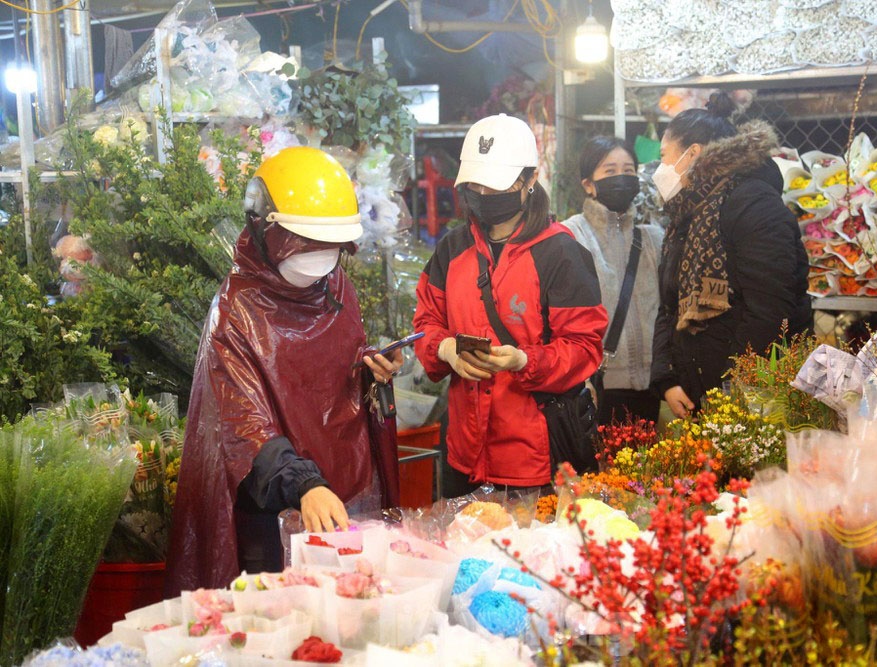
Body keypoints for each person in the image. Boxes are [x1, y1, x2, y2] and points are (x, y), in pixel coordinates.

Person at [166, 147, 404, 594]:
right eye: (303, 243)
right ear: (264, 228)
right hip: (273, 507)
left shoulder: (336, 285)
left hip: (344, 488)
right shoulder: (236, 310)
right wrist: (304, 484)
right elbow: (245, 424)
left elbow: (335, 365)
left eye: (329, 247)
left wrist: (372, 366)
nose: (317, 258)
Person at [413, 113, 608, 493]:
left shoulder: (562, 254)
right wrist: (446, 349)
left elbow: (585, 348)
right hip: (463, 454)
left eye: (496, 185)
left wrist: (525, 361)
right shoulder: (452, 249)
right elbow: (425, 323)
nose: (484, 196)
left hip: (535, 460)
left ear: (531, 179)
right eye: (476, 186)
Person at [650, 93, 811, 419]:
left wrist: (731, 389)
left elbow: (769, 311)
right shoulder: (687, 212)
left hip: (751, 397)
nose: (660, 166)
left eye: (665, 155)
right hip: (700, 393)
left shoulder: (754, 205)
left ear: (692, 153)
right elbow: (670, 303)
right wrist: (667, 378)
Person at [562, 136, 665, 425]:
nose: (621, 177)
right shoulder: (571, 236)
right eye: (609, 171)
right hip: (598, 385)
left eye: (628, 171)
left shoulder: (653, 238)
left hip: (653, 386)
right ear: (588, 184)